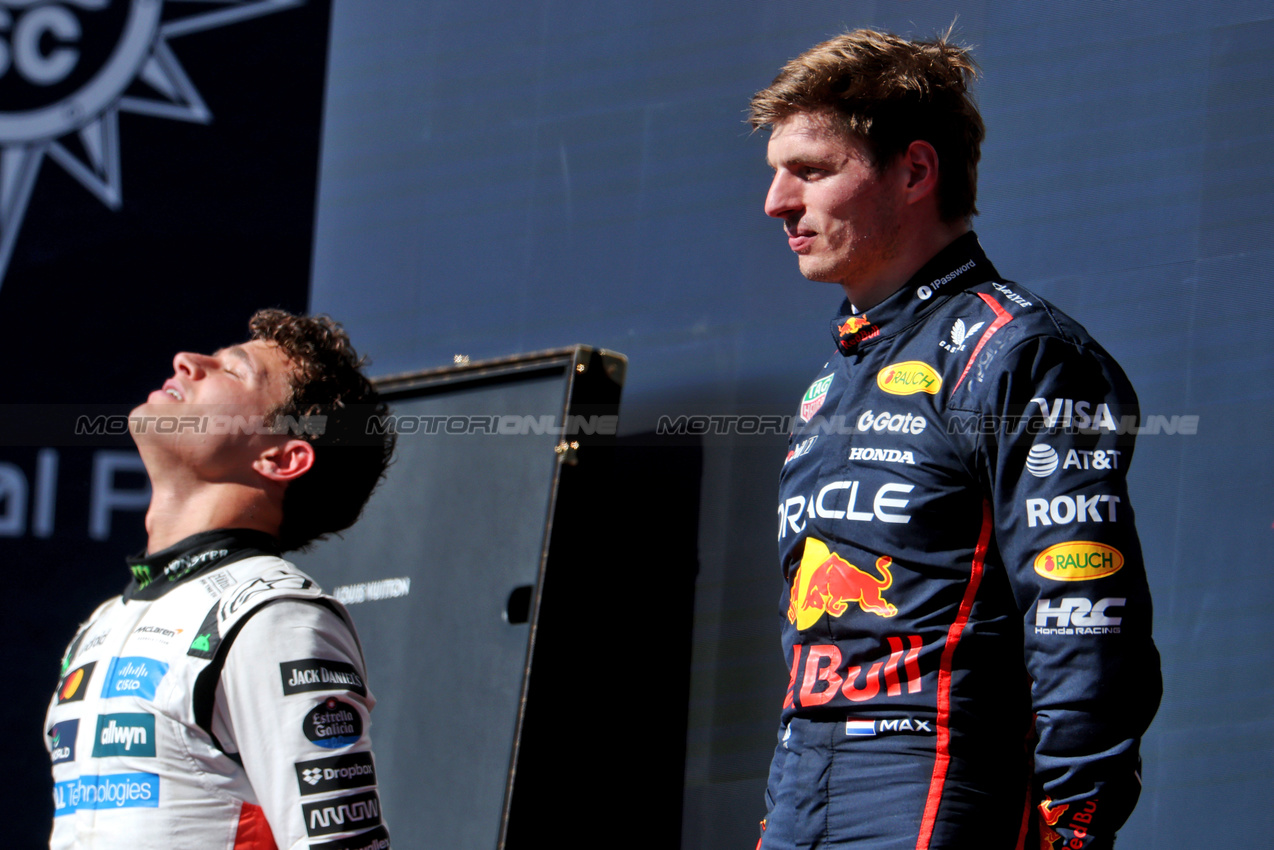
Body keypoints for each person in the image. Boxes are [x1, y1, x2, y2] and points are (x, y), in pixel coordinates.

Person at [750, 29, 1160, 850]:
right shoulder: (834, 381)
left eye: (813, 170)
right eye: (775, 172)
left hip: (934, 779)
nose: (778, 202)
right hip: (802, 789)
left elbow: (1081, 605)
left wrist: (1074, 822)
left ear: (913, 171)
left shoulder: (1018, 350)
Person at [44, 309, 395, 850]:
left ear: (282, 458)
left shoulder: (274, 615)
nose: (188, 362)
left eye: (232, 372)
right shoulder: (106, 620)